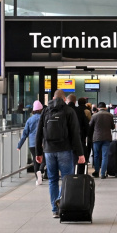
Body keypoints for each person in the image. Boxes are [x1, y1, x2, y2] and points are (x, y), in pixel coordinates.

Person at [35, 90, 85, 218]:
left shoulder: (46, 111)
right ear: (65, 99)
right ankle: (61, 202)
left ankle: (54, 209)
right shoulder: (69, 111)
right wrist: (80, 153)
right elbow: (75, 134)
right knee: (67, 179)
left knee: (52, 180)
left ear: (53, 98)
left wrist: (38, 152)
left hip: (49, 151)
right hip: (65, 150)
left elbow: (39, 132)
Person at [17, 100, 45, 186]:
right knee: (44, 159)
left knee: (35, 160)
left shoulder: (29, 120)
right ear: (41, 109)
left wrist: (19, 145)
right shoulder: (44, 118)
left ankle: (38, 178)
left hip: (32, 144)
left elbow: (25, 134)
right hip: (43, 143)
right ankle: (41, 170)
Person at [89, 102, 115, 179]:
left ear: (98, 108)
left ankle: (97, 171)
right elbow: (112, 127)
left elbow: (90, 125)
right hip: (107, 138)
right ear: (105, 107)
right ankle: (103, 173)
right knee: (105, 156)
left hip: (96, 138)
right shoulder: (110, 115)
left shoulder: (94, 115)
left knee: (96, 155)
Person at [67, 94, 89, 165]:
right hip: (79, 137)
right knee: (77, 156)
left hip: (65, 139)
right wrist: (86, 135)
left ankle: (68, 174)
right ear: (75, 101)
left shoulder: (64, 110)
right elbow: (86, 124)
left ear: (67, 100)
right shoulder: (80, 110)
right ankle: (78, 172)